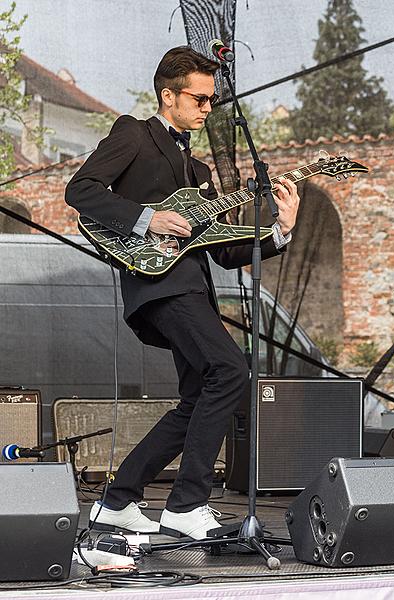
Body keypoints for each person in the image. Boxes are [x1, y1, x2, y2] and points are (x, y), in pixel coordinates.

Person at [65, 46, 300, 540]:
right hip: (161, 288)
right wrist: (148, 218)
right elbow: (81, 191)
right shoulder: (134, 133)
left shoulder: (199, 173)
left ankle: (117, 501)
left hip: (193, 290)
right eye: (199, 98)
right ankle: (186, 504)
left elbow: (226, 254)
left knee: (196, 399)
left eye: (212, 100)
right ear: (168, 95)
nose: (207, 108)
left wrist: (280, 229)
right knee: (231, 370)